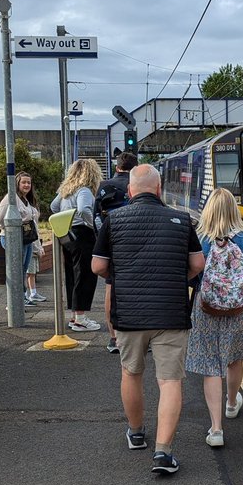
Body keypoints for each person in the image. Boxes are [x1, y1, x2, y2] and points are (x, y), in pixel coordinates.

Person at [91, 163, 205, 475]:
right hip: (171, 312)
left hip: (129, 313)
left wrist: (122, 276)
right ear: (158, 189)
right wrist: (177, 278)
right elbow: (198, 263)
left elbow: (98, 266)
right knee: (169, 381)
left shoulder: (114, 220)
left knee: (131, 373)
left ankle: (137, 433)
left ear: (130, 191)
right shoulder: (182, 220)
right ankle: (163, 453)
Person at [186, 188, 243, 448]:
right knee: (235, 358)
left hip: (206, 308)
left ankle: (216, 429)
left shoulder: (199, 240)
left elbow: (189, 273)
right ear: (235, 212)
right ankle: (232, 403)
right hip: (240, 309)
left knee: (211, 365)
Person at [51, 158, 103, 331]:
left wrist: (65, 220)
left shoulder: (66, 191)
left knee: (72, 276)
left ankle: (74, 317)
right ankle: (81, 318)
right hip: (83, 235)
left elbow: (54, 207)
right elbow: (83, 209)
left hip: (67, 235)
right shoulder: (84, 190)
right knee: (85, 276)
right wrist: (94, 225)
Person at [93, 151, 138, 353]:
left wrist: (101, 241)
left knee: (111, 287)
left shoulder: (104, 186)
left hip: (112, 242)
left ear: (117, 167)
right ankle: (137, 335)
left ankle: (113, 337)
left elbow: (95, 216)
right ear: (135, 168)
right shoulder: (138, 184)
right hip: (137, 243)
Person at [0, 172, 42, 310]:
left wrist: (37, 246)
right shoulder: (11, 198)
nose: (27, 185)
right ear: (17, 183)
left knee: (22, 270)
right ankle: (12, 302)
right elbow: (0, 219)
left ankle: (21, 298)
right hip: (13, 238)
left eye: (29, 182)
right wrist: (13, 228)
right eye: (23, 182)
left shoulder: (27, 199)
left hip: (27, 238)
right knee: (15, 270)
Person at [25, 237, 48, 303]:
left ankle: (33, 293)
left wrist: (40, 248)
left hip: (34, 252)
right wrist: (38, 251)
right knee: (28, 274)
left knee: (32, 274)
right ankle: (26, 294)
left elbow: (37, 239)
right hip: (32, 252)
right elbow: (31, 240)